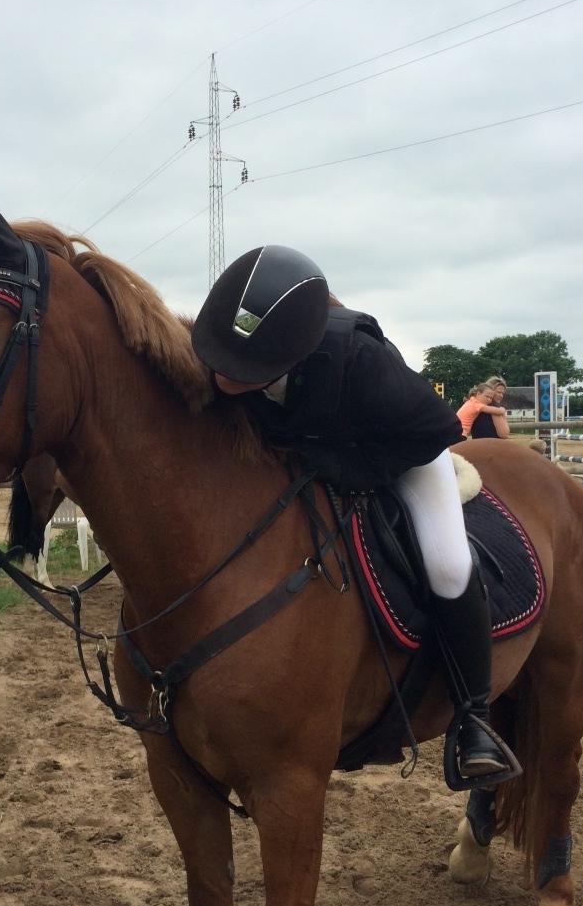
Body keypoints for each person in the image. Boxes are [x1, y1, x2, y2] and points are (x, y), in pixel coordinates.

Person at [191, 245, 519, 783]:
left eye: (239, 366)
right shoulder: (230, 351)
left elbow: (434, 432)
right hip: (312, 460)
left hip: (402, 454)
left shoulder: (358, 358)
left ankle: (473, 718)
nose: (223, 376)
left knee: (448, 565)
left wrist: (346, 469)